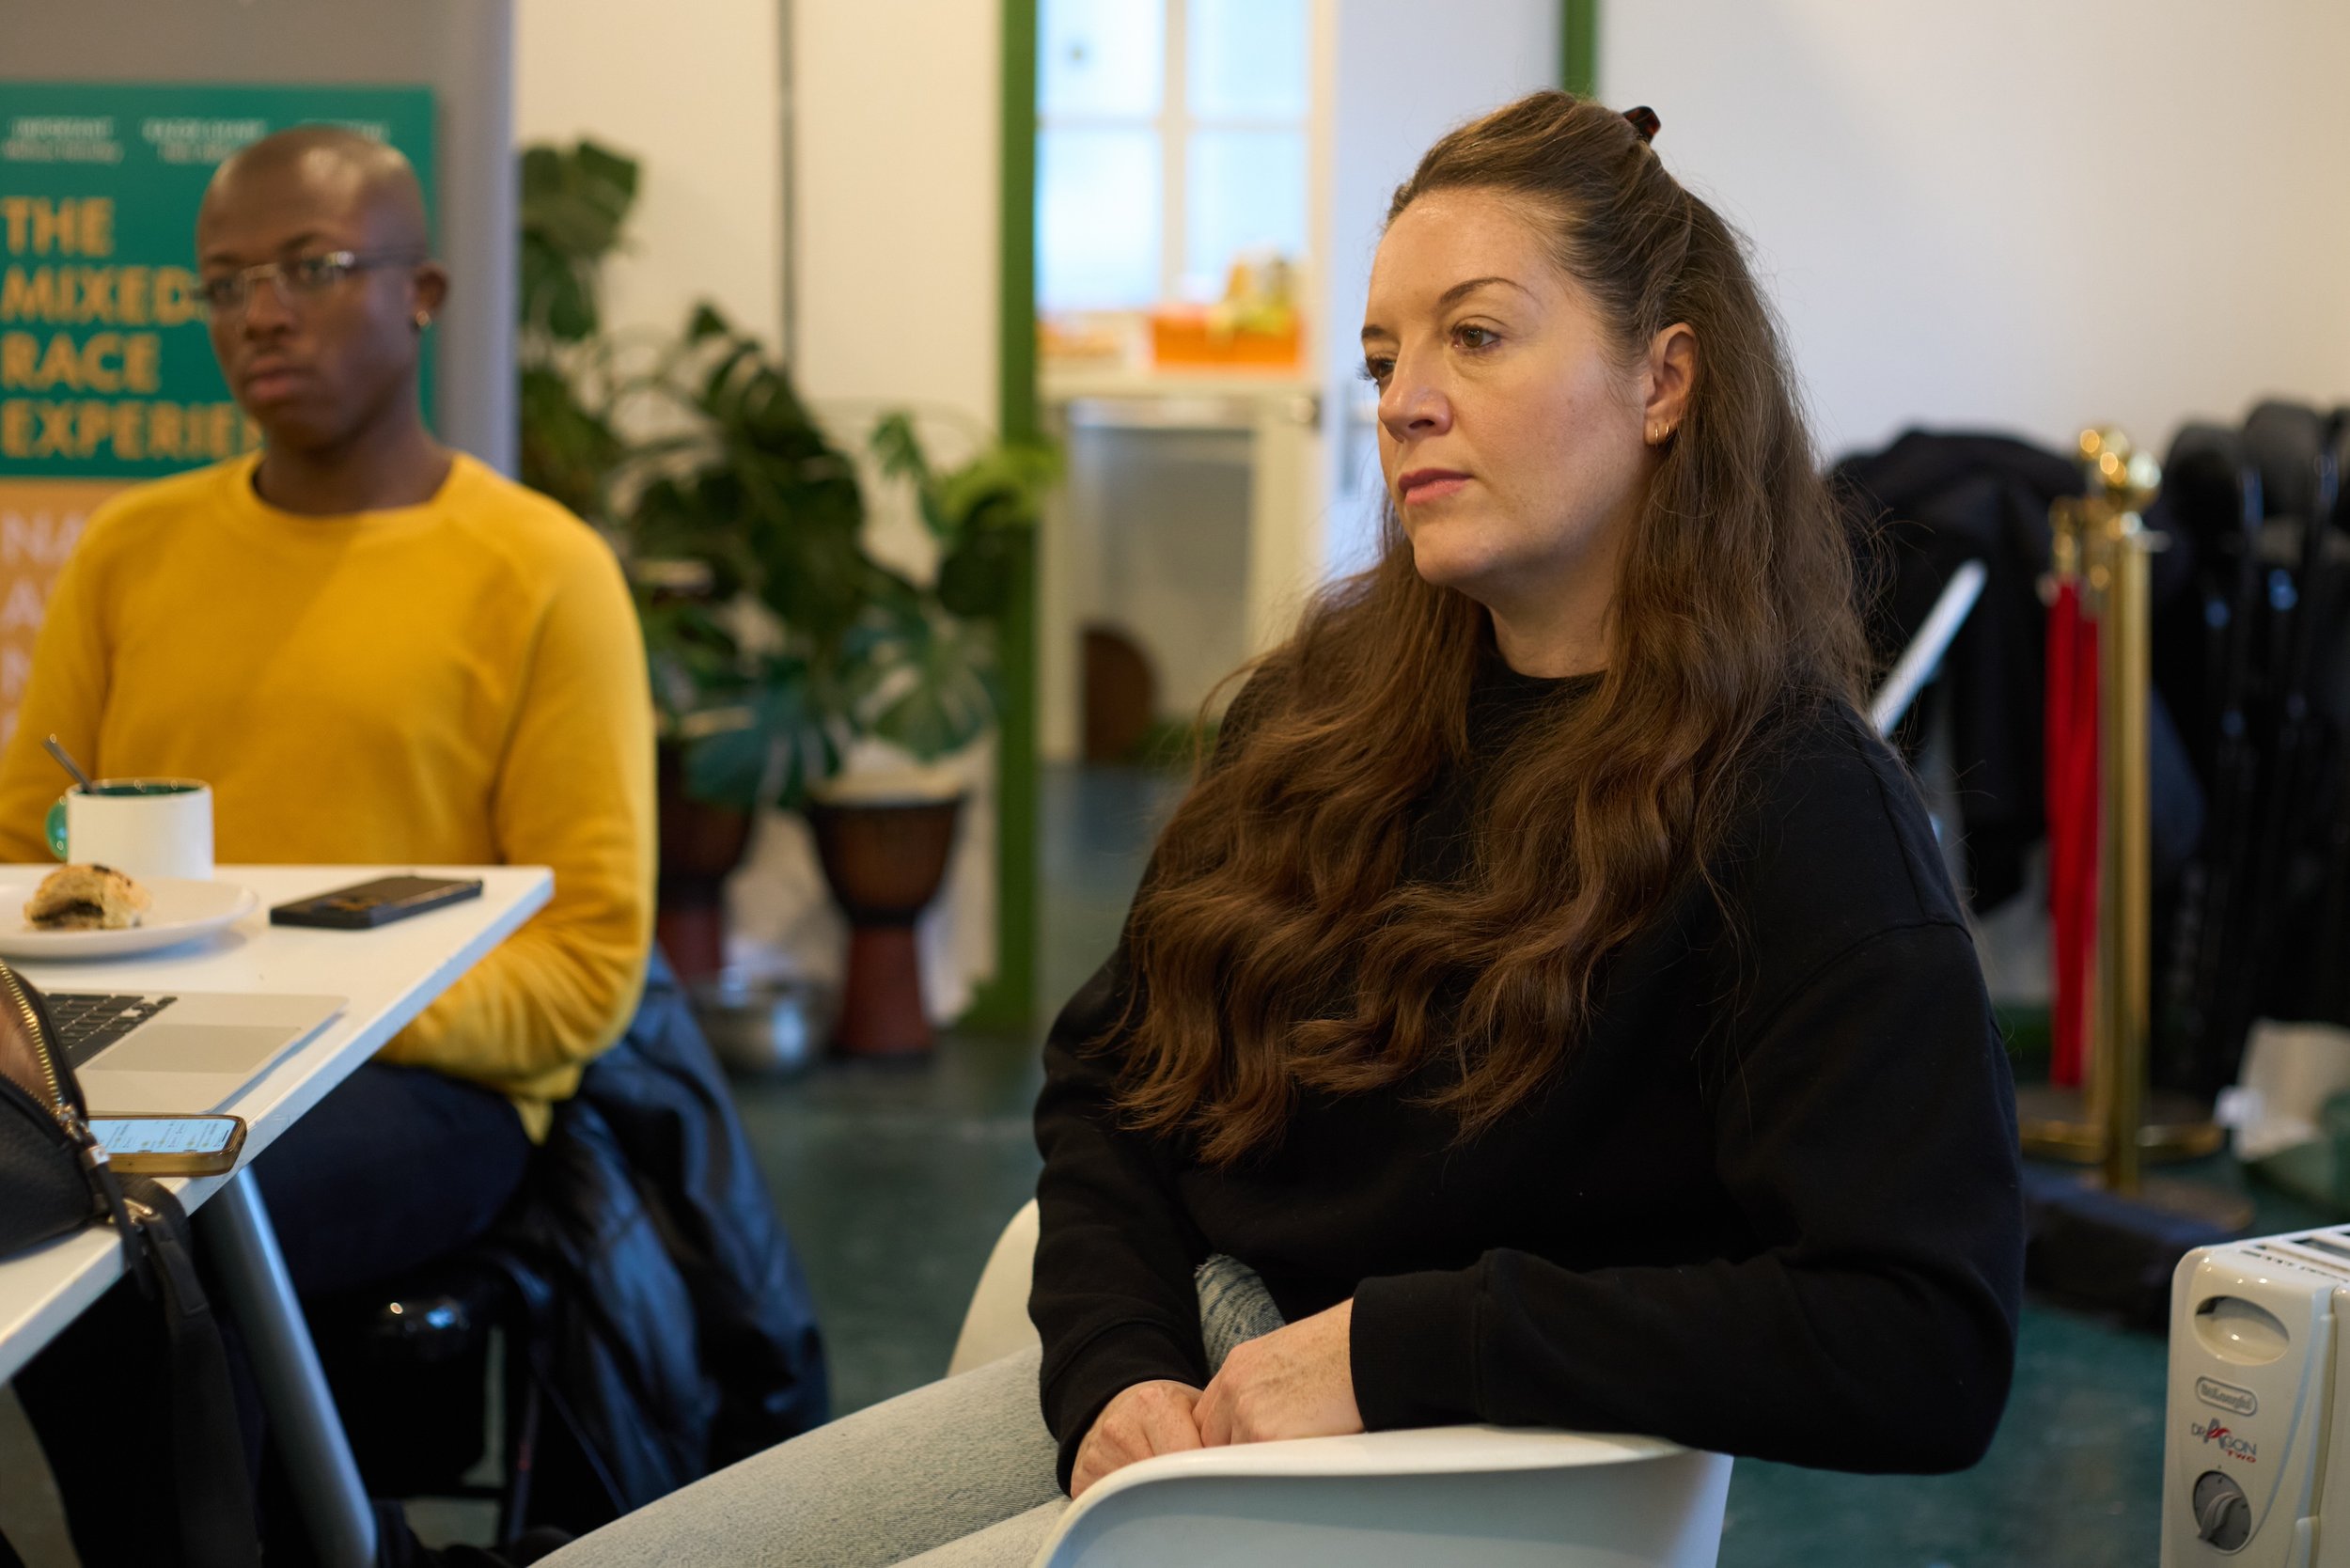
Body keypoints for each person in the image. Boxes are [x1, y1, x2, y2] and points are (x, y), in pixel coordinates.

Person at [540, 90, 2023, 1568]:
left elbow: (1920, 1339)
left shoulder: (1796, 808)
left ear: (1664, 381)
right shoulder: (1329, 714)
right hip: (1197, 1394)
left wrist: (1396, 1349)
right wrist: (1113, 1367)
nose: (1403, 399)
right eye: (1384, 356)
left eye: (1478, 336)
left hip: (1431, 1485)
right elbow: (1113, 1078)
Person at [5, 125, 652, 1561]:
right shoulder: (133, 551)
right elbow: (17, 855)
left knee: (139, 1228)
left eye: (309, 268)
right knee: (80, 1203)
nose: (262, 313)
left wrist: (314, 1022)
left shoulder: (542, 573)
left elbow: (590, 969)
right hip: (141, 1054)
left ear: (420, 292)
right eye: (224, 284)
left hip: (427, 1091)